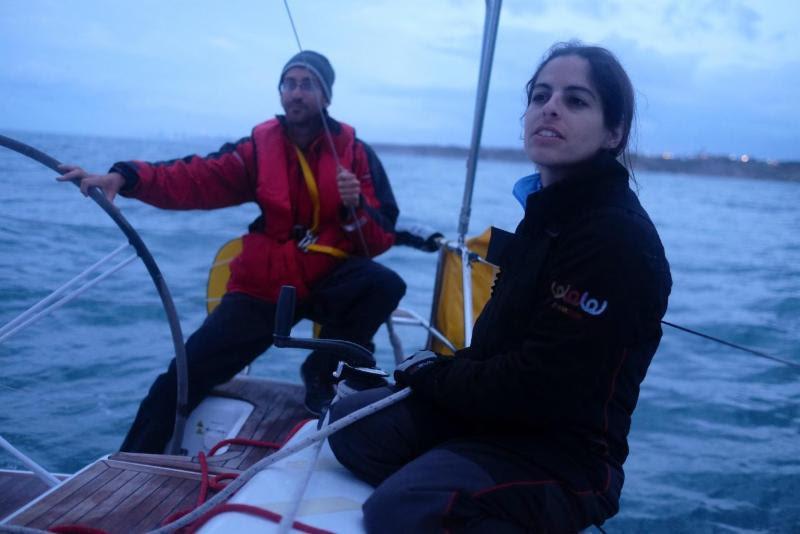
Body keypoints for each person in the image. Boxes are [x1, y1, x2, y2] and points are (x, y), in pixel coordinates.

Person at [328, 42, 672, 532]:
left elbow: (539, 386)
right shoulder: (548, 214)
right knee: (349, 428)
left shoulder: (614, 239)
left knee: (401, 511)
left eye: (576, 100)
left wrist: (429, 375)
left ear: (613, 132)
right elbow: (496, 348)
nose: (550, 107)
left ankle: (477, 491)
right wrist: (434, 374)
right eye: (540, 96)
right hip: (498, 419)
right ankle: (459, 473)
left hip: (562, 454)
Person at [59, 50, 405, 453]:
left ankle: (323, 373)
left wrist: (356, 206)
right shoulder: (259, 148)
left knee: (383, 284)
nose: (296, 93)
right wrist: (126, 177)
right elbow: (195, 177)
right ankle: (131, 461)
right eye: (288, 84)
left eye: (307, 84)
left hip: (329, 276)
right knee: (183, 377)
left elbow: (380, 239)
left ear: (326, 96)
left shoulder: (357, 154)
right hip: (267, 284)